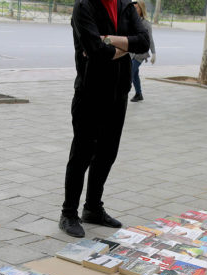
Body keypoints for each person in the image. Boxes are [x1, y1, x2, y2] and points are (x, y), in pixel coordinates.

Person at [59, 0, 151, 238]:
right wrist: (125, 45)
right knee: (82, 154)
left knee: (107, 153)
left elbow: (144, 42)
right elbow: (96, 51)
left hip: (119, 93)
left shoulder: (126, 6)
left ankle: (93, 208)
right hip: (90, 93)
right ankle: (69, 213)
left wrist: (108, 39)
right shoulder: (84, 7)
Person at [129, 0, 156, 102]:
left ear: (141, 9)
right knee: (135, 74)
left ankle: (121, 95)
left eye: (136, 8)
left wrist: (153, 53)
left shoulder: (146, 24)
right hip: (132, 53)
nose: (134, 10)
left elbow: (150, 39)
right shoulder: (132, 21)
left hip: (140, 54)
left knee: (129, 74)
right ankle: (139, 94)